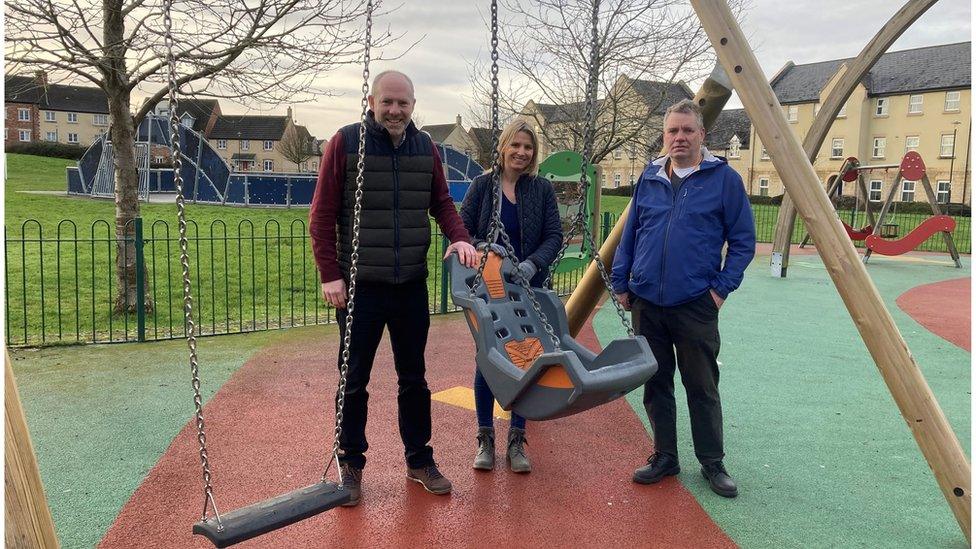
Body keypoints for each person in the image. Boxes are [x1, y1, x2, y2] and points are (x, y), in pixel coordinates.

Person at [309, 70, 478, 507]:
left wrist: (458, 235)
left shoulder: (428, 149)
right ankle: (350, 464)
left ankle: (419, 459)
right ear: (371, 101)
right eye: (387, 102)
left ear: (414, 105)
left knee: (414, 379)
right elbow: (322, 215)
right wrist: (331, 274)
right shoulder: (346, 143)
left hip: (409, 285)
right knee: (353, 380)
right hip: (360, 286)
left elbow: (441, 202)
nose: (395, 111)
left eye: (403, 103)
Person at [611, 99, 755, 498]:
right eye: (672, 131)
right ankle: (665, 456)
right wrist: (622, 282)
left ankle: (712, 462)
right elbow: (632, 234)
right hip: (647, 301)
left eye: (687, 130)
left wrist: (720, 290)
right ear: (665, 135)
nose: (679, 138)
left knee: (702, 385)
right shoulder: (650, 178)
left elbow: (743, 242)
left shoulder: (723, 180)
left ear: (702, 135)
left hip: (695, 302)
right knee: (655, 384)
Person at [459, 120, 562, 474]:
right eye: (515, 145)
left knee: (529, 356)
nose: (521, 152)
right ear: (503, 147)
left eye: (528, 147)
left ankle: (517, 438)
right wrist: (479, 245)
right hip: (488, 287)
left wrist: (534, 264)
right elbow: (461, 230)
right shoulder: (482, 186)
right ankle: (485, 437)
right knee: (488, 358)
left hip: (527, 286)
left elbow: (553, 235)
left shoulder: (541, 190)